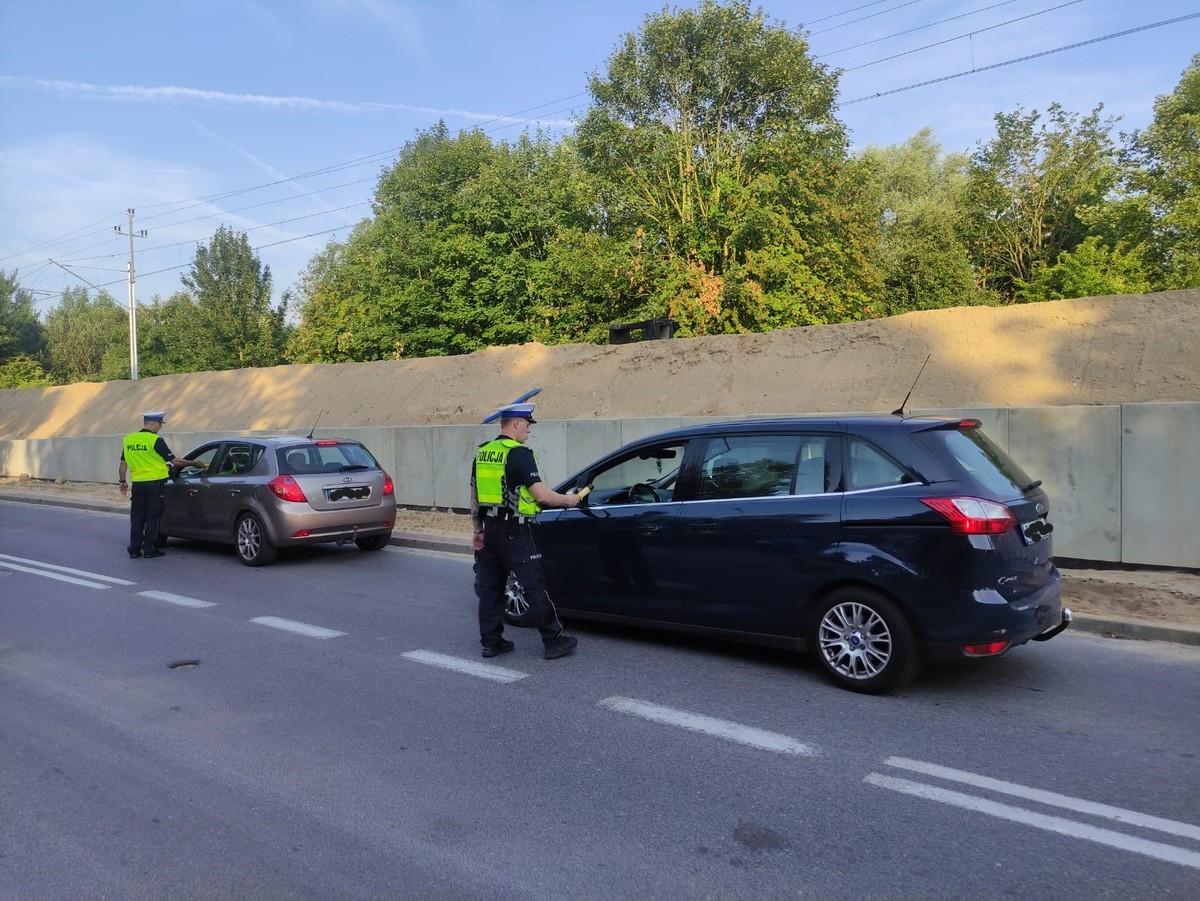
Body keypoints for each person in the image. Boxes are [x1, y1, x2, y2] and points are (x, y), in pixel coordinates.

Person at [471, 402, 581, 660]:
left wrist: (478, 530)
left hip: (490, 530)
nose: (529, 431)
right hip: (514, 531)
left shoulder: (484, 453)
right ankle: (553, 641)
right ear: (517, 423)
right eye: (528, 425)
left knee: (490, 589)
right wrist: (569, 500)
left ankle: (492, 642)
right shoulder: (518, 453)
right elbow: (541, 495)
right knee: (535, 585)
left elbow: (475, 495)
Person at [117, 411, 201, 558]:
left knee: (137, 517)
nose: (160, 427)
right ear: (152, 423)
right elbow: (175, 461)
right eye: (160, 424)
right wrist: (194, 462)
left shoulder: (129, 439)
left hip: (137, 484)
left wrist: (122, 481)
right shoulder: (155, 440)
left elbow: (123, 463)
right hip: (155, 484)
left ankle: (134, 550)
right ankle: (149, 549)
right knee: (152, 517)